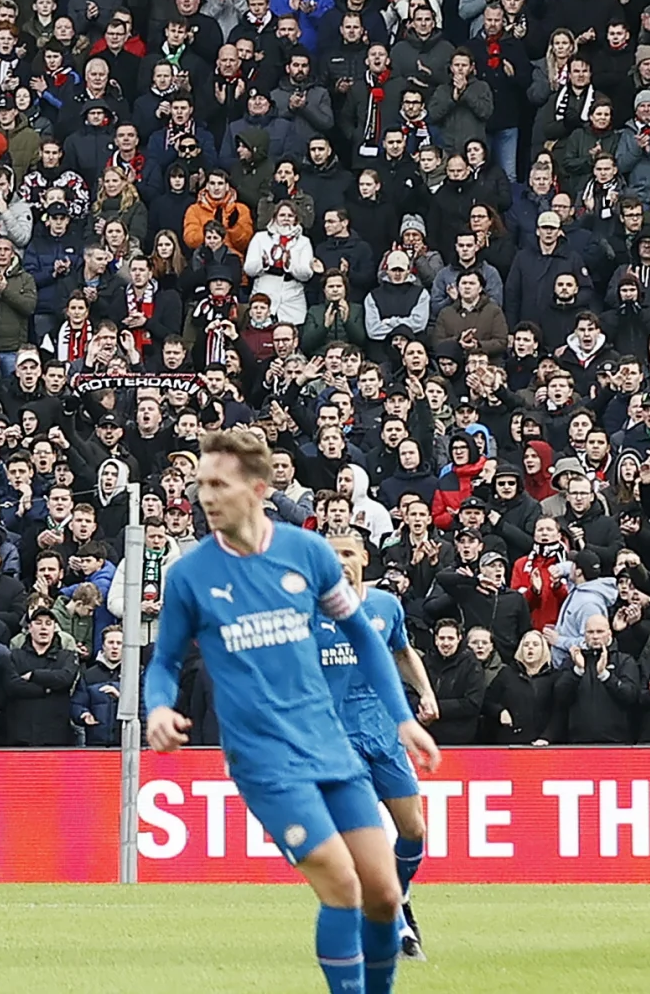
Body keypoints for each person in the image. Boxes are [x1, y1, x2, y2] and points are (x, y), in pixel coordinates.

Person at [144, 425, 435, 994]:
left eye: (217, 484)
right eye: (200, 484)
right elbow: (163, 662)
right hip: (265, 761)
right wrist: (158, 707)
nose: (204, 496)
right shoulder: (189, 576)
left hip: (329, 745)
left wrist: (402, 715)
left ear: (256, 489)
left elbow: (366, 636)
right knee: (341, 886)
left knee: (381, 892)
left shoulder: (308, 555)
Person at [321, 524, 437, 956]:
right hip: (336, 744)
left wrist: (424, 692)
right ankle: (393, 929)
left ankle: (400, 898)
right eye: (332, 556)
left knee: (413, 831)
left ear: (364, 559)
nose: (341, 563)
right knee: (363, 839)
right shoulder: (306, 613)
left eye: (348, 554)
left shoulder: (386, 606)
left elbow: (403, 651)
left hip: (383, 737)